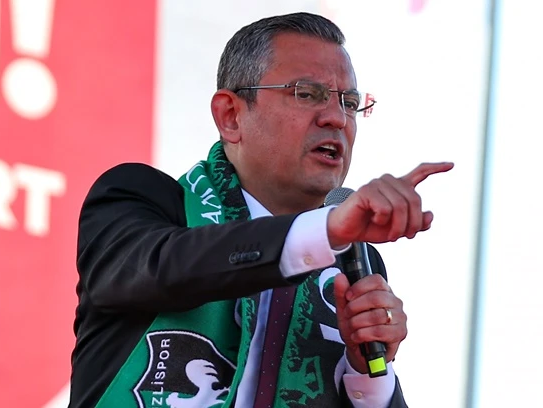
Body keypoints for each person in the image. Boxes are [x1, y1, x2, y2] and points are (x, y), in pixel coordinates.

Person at [69, 11, 452, 408]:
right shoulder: (142, 199)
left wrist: (367, 372)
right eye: (307, 93)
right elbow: (164, 266)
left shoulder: (355, 264)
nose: (337, 118)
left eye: (350, 102)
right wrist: (323, 231)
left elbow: (370, 380)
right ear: (231, 116)